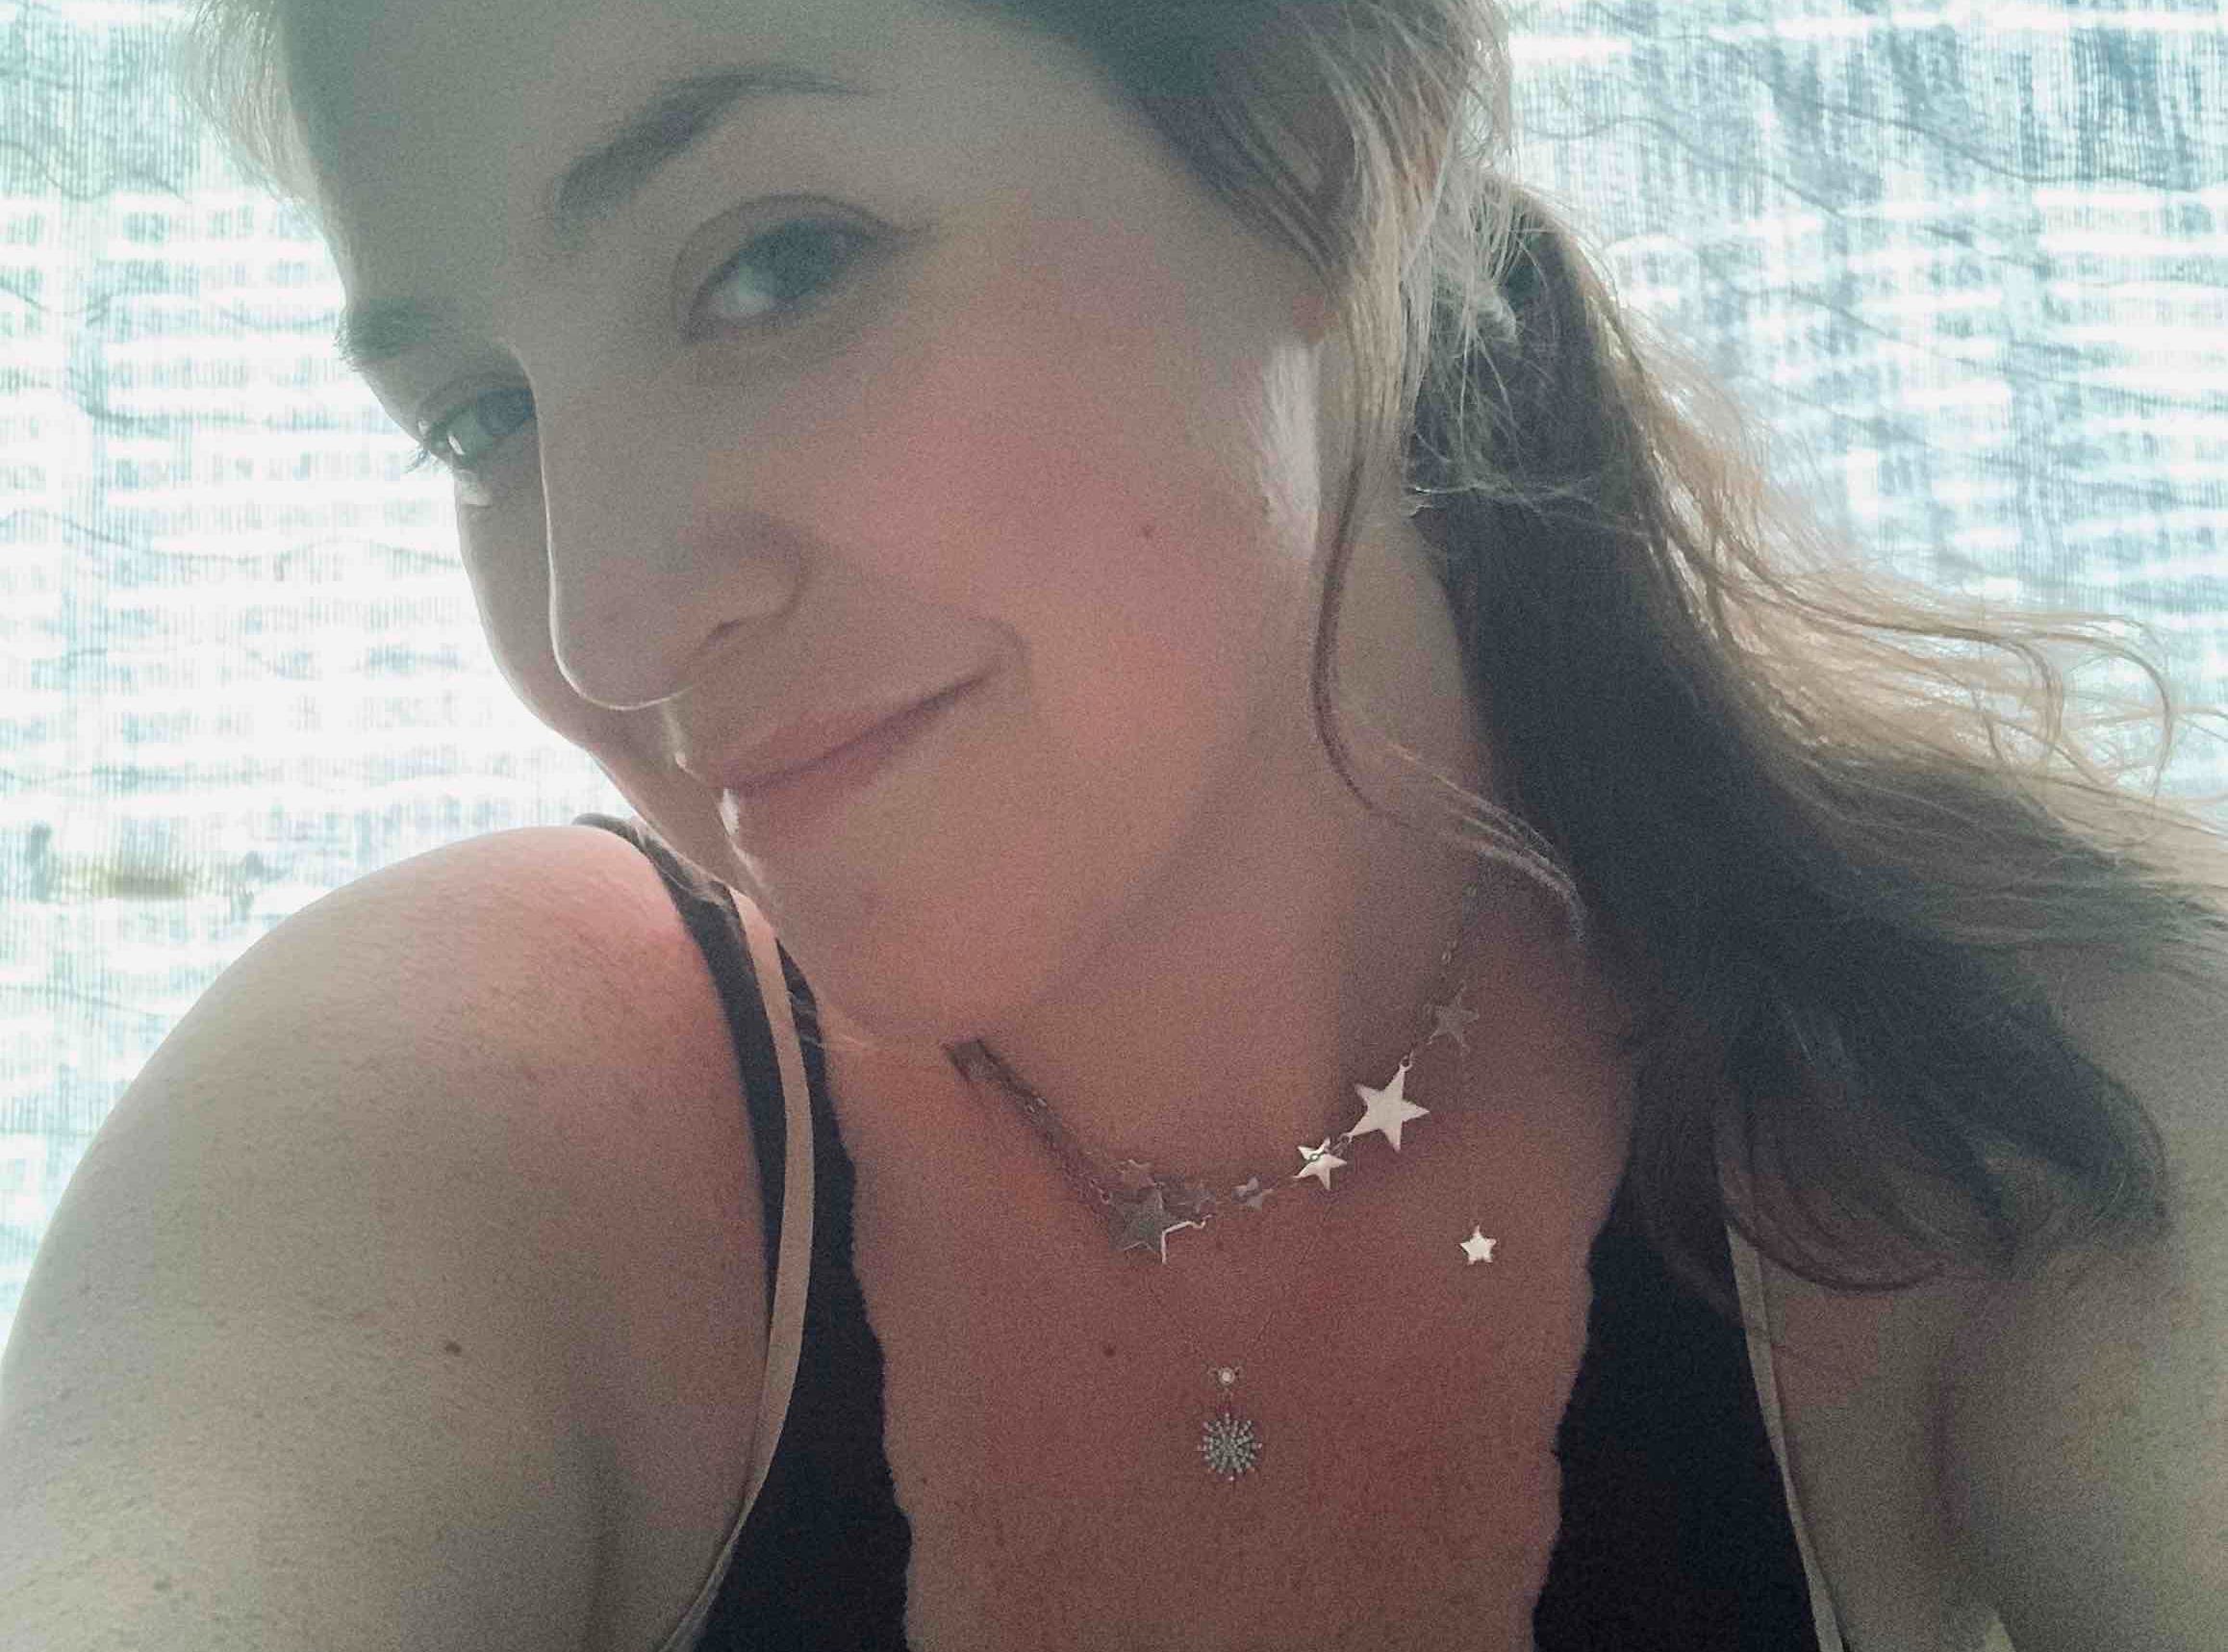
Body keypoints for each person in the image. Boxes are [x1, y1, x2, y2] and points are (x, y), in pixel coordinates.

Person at [5, 1, 2225, 1647]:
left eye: (775, 263)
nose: (606, 632)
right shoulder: (475, 1101)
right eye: (479, 418)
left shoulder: (2028, 1091)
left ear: (1327, 144)